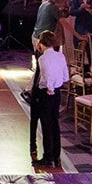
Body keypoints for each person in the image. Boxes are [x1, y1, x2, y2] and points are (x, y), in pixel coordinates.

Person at [30, 30, 69, 166]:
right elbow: (65, 77)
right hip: (57, 93)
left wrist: (50, 88)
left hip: (47, 93)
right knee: (55, 124)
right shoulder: (60, 56)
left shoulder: (43, 59)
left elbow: (47, 76)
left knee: (46, 125)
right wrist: (55, 86)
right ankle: (56, 156)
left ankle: (48, 157)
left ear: (41, 43)